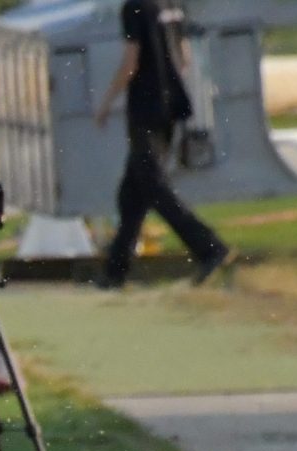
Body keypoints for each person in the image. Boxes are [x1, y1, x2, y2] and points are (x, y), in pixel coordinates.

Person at [93, 0, 232, 287]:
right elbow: (184, 58)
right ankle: (115, 271)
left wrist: (106, 102)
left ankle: (209, 248)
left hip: (145, 108)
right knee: (132, 193)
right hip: (170, 106)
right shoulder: (171, 4)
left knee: (153, 185)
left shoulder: (134, 7)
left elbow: (131, 62)